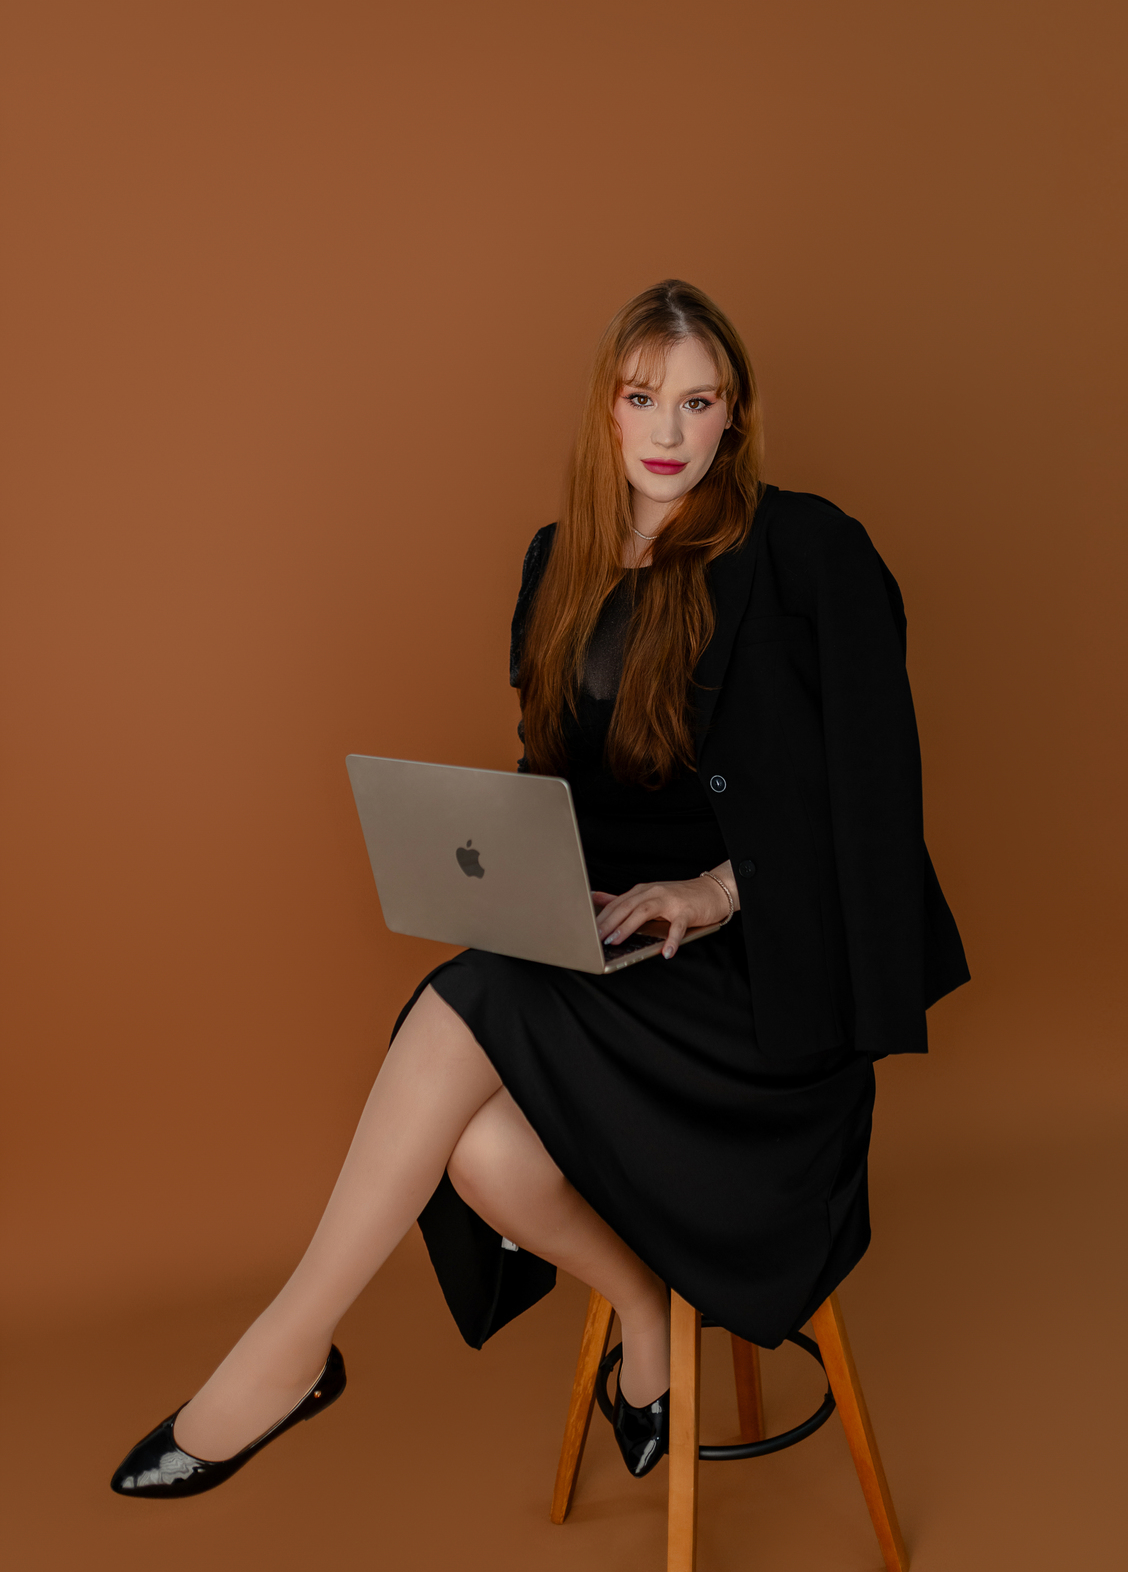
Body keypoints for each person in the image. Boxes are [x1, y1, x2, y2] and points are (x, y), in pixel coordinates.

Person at [111, 278, 969, 1498]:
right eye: (643, 398)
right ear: (605, 411)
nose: (669, 431)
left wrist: (720, 890)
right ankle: (643, 1312)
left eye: (698, 402)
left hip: (763, 993)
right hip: (617, 956)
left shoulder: (810, 552)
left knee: (468, 1000)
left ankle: (288, 1351)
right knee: (484, 1149)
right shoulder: (557, 562)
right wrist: (510, 877)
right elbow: (554, 786)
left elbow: (876, 807)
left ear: (735, 416)